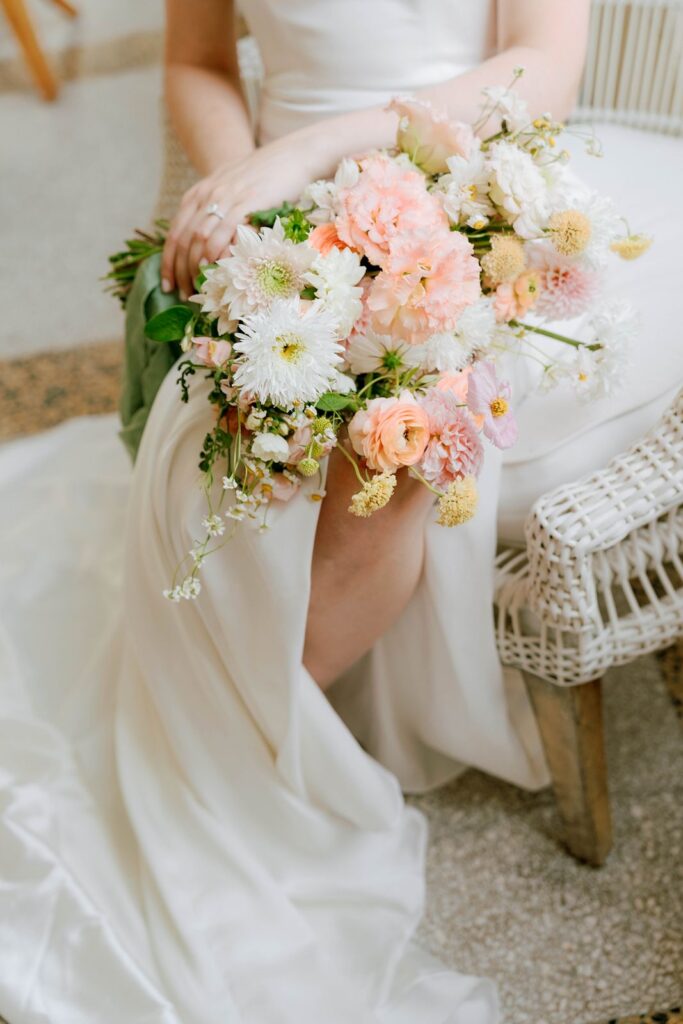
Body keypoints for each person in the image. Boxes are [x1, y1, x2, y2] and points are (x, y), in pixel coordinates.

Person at [0, 1, 680, 1021]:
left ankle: (264, 725)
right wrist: (241, 193)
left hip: (474, 174)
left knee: (395, 432)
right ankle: (250, 720)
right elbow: (194, 61)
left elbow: (541, 67)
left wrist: (324, 146)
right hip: (287, 214)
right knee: (244, 448)